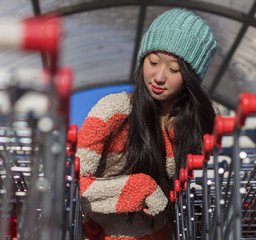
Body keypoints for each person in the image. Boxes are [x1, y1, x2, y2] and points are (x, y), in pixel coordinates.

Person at [76, 8, 217, 240]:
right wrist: (138, 188)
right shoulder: (113, 112)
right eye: (153, 62)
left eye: (174, 69)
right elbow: (70, 185)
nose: (159, 76)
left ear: (191, 78)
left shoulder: (204, 122)